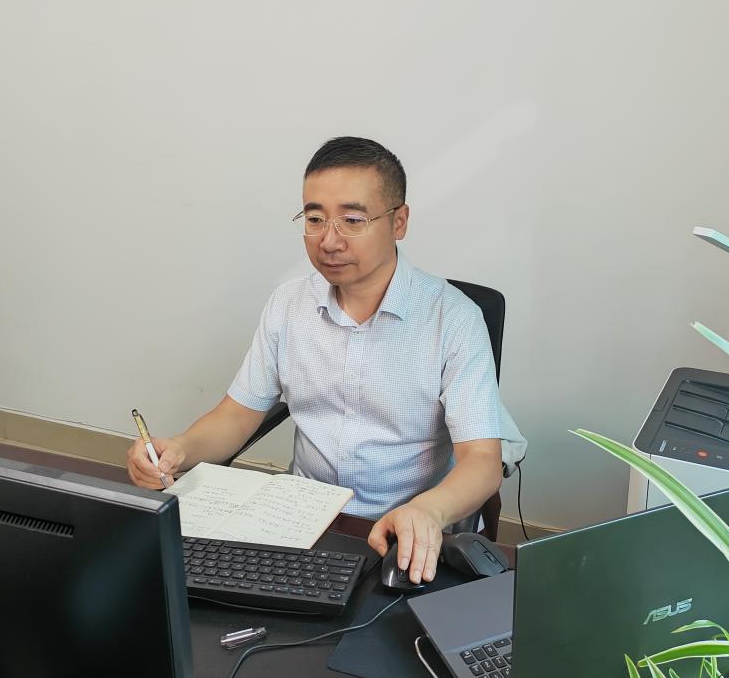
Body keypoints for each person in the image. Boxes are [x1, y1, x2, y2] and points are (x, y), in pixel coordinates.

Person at [127, 136, 524, 584]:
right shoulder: (288, 304)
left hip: (403, 532)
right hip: (300, 522)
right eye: (315, 219)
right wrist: (179, 449)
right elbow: (237, 415)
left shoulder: (453, 319)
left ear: (399, 222)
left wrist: (429, 510)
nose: (329, 241)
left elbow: (482, 459)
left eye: (352, 220)